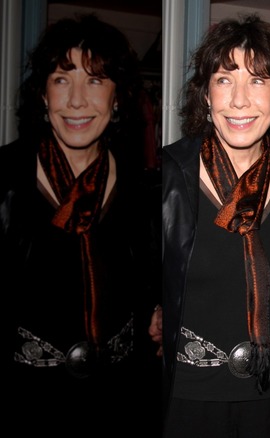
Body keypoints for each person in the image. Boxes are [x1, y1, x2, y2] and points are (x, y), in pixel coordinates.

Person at [1, 14, 162, 435]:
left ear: (117, 97)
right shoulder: (3, 181)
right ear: (43, 94)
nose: (76, 101)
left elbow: (155, 291)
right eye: (61, 79)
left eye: (94, 81)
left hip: (122, 404)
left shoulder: (147, 191)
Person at [157, 14, 270, 437]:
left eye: (258, 81)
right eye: (224, 79)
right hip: (188, 401)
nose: (240, 100)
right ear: (206, 95)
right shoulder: (165, 179)